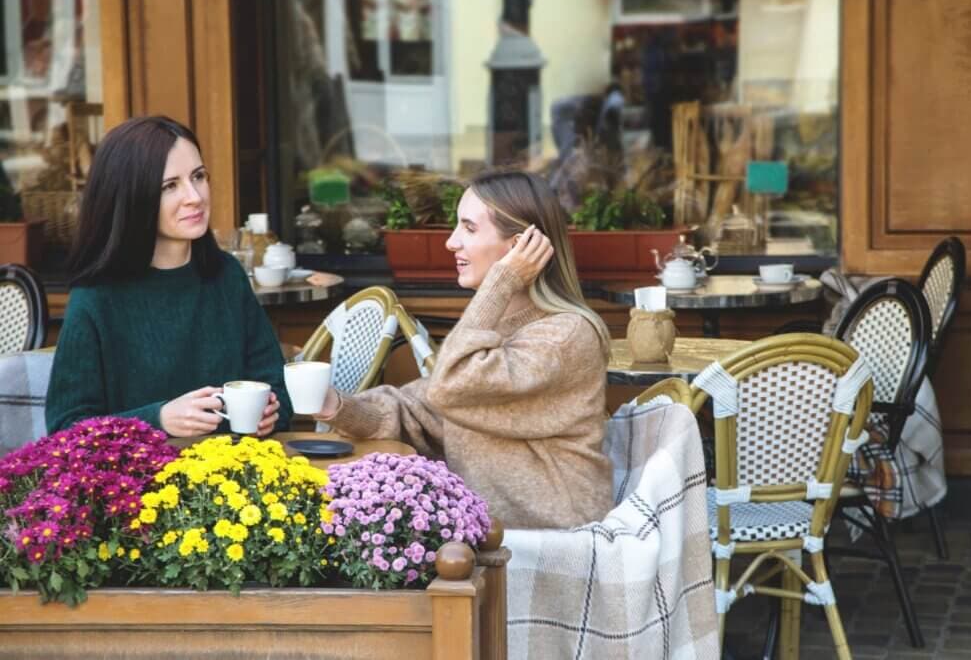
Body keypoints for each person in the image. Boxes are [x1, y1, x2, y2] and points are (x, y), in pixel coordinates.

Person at [314, 171, 613, 529]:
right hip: (489, 533)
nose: (451, 243)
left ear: (519, 247)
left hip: (549, 541)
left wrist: (502, 280)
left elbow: (451, 385)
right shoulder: (496, 325)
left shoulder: (566, 335)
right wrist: (338, 406)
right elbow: (424, 410)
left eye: (469, 228)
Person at [46, 116, 291, 437]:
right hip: (141, 482)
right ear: (131, 197)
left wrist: (272, 412)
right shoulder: (96, 295)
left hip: (237, 476)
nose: (194, 196)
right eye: (169, 186)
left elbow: (277, 387)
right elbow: (65, 429)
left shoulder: (227, 275)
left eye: (199, 176)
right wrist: (157, 420)